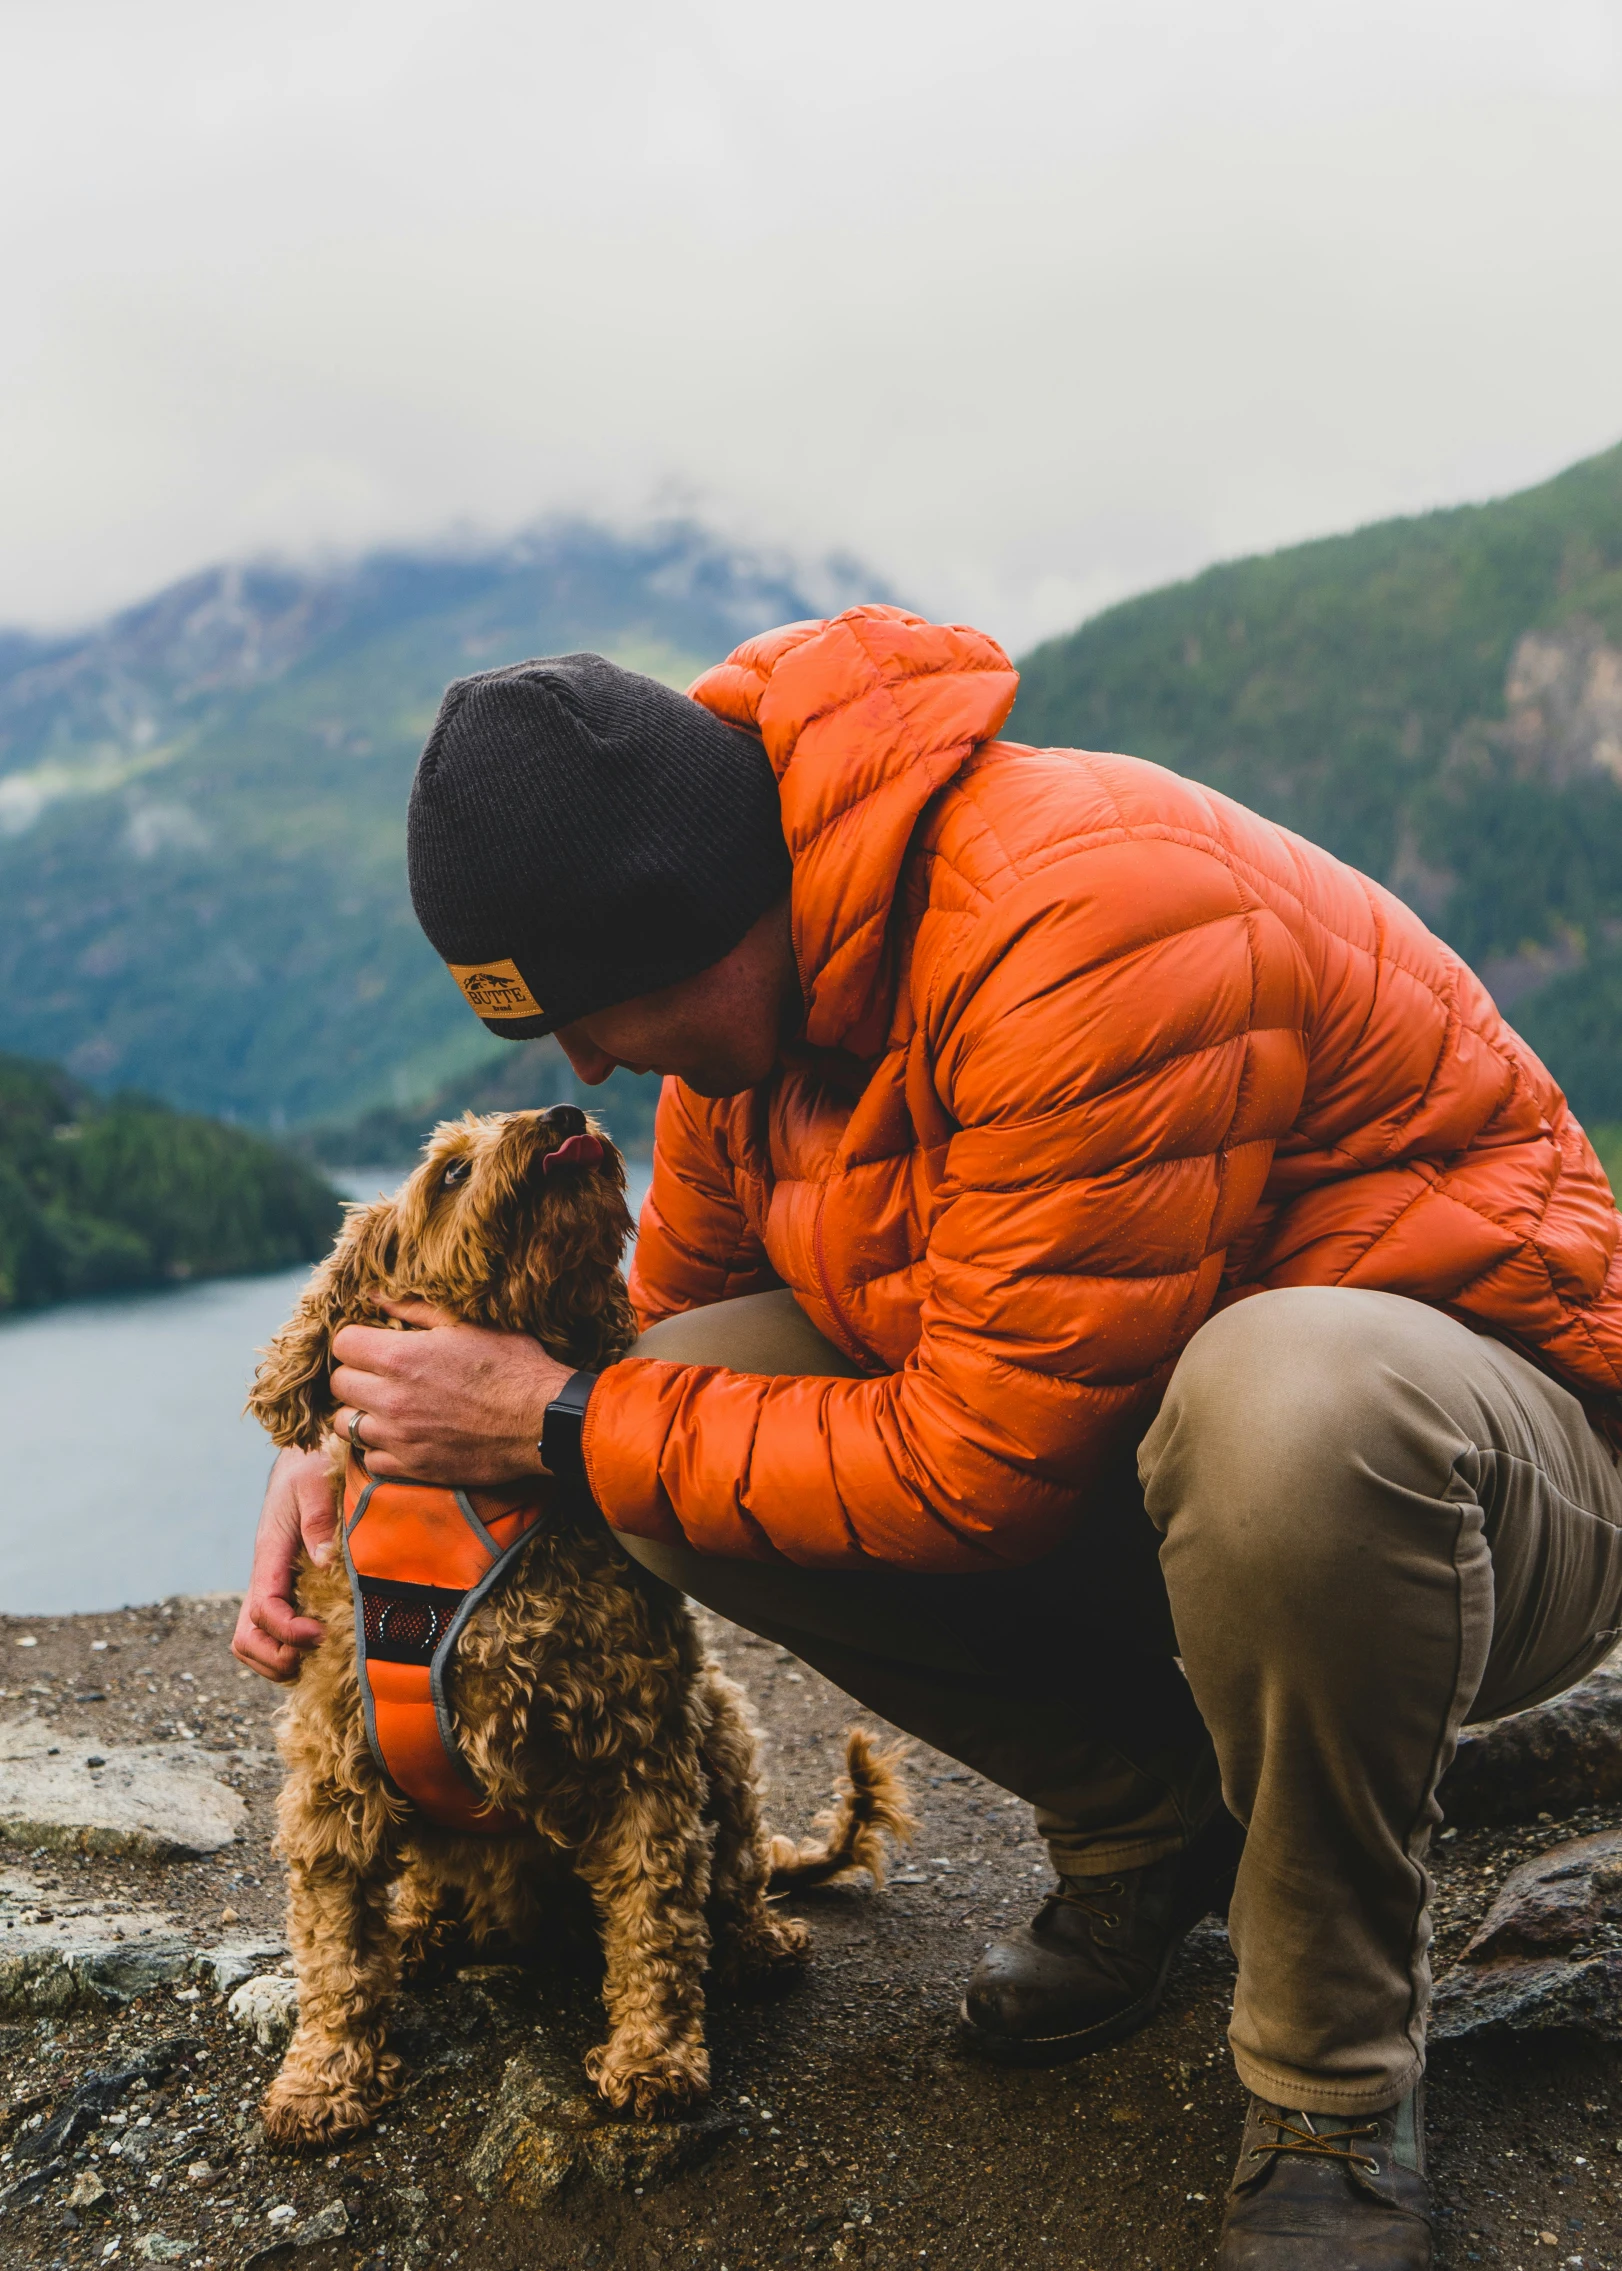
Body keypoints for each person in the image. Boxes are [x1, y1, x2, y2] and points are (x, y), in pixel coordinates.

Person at [235, 606, 1622, 2269]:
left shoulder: (1073, 919)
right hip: (1164, 1460)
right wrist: (356, 1434)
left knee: (1288, 1401)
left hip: (1490, 1476)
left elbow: (982, 1467)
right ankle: (1147, 1816)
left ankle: (1327, 2073)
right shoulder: (754, 1025)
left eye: (594, 1011)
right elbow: (638, 1348)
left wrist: (547, 1416)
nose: (588, 1066)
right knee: (662, 1413)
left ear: (699, 924)